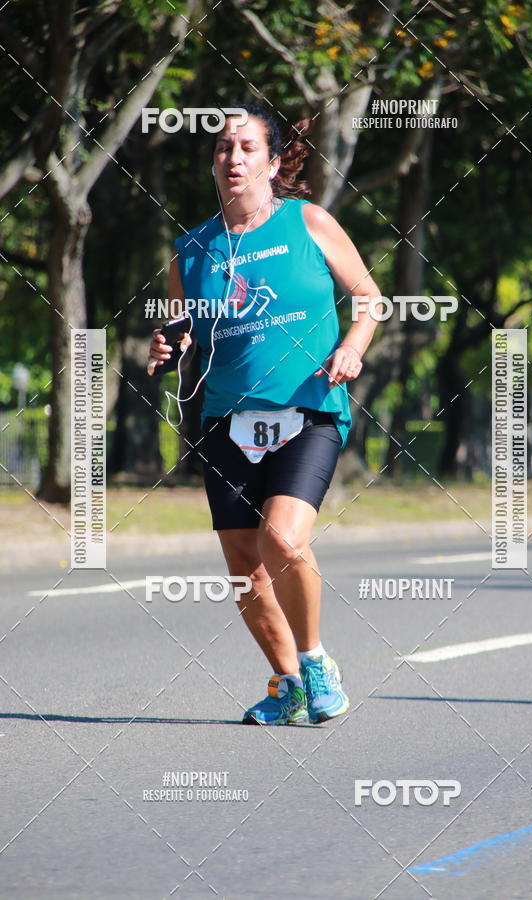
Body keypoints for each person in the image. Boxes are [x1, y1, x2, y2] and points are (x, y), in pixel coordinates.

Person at [148, 103, 381, 725]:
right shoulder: (191, 249)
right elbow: (184, 329)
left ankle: (315, 662)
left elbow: (368, 296)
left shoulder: (308, 222)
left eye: (248, 148)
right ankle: (287, 685)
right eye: (224, 148)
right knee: (243, 566)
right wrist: (168, 345)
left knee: (282, 538)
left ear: (273, 163)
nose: (234, 158)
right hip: (226, 418)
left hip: (309, 407)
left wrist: (352, 348)